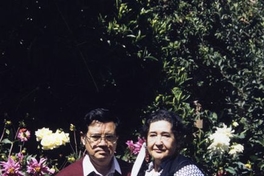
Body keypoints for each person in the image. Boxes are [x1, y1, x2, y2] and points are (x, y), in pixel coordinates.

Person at [56, 108, 132, 176]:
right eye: (96, 137)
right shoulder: (67, 174)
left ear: (117, 138)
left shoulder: (133, 172)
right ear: (83, 138)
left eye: (109, 137)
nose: (103, 143)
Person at [134, 109, 204, 176]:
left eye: (165, 136)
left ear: (177, 140)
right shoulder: (146, 170)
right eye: (153, 135)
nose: (158, 143)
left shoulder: (187, 172)